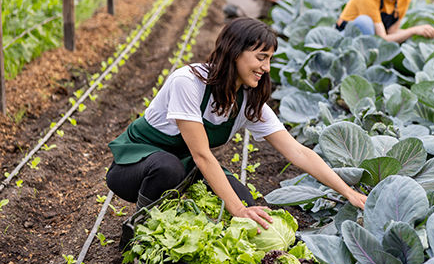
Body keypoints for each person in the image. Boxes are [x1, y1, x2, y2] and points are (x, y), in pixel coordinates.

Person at [106, 19, 367, 228]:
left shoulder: (248, 102)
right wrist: (237, 210)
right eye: (261, 57)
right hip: (134, 167)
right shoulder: (187, 82)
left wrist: (349, 193)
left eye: (270, 59)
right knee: (168, 168)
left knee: (248, 204)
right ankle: (140, 229)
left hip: (187, 170)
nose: (266, 67)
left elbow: (298, 152)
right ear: (234, 53)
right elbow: (201, 154)